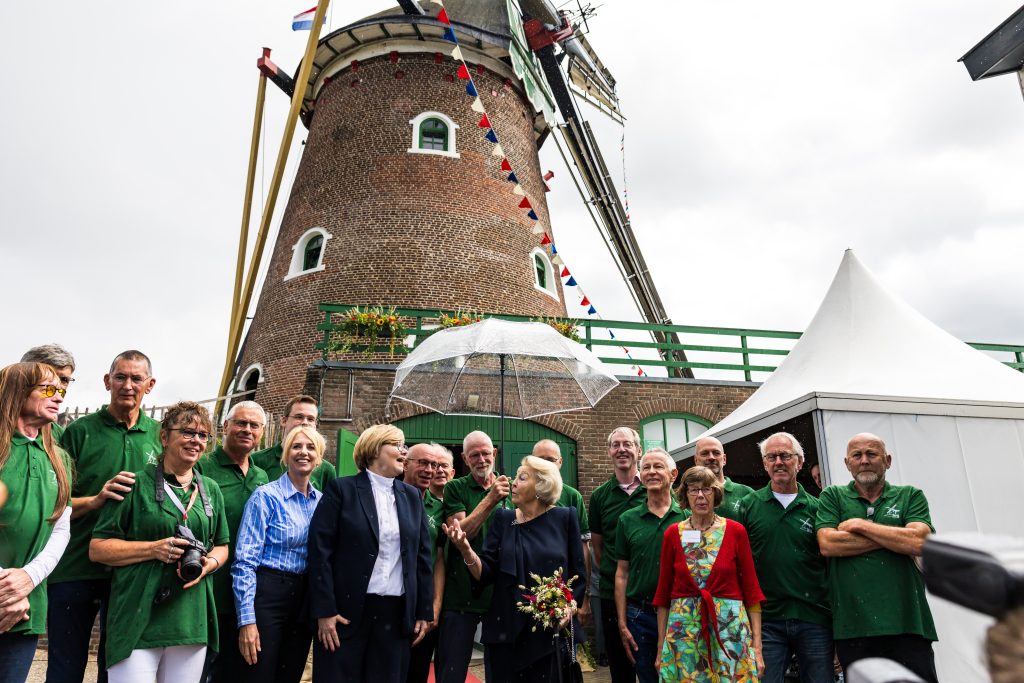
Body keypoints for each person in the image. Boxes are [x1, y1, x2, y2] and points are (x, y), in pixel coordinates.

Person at [90, 401, 229, 683]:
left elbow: (222, 545)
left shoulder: (210, 490)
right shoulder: (133, 485)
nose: (196, 441)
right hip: (137, 613)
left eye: (203, 435)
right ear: (165, 437)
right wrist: (153, 549)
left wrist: (209, 564)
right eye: (187, 432)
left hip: (189, 618)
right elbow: (98, 549)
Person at [48, 349, 162, 683]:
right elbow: (54, 505)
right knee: (65, 669)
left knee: (115, 668)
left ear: (150, 385)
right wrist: (96, 500)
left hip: (129, 573)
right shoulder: (79, 432)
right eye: (120, 377)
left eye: (136, 378)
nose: (128, 385)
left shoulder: (160, 436)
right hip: (75, 566)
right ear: (107, 381)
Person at [444, 455, 586, 682]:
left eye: (522, 477)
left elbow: (578, 574)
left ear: (541, 485)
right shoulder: (504, 518)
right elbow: (485, 573)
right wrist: (466, 551)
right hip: (505, 631)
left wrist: (571, 606)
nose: (513, 483)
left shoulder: (565, 517)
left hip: (548, 631)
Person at [307, 424, 433, 681]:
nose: (404, 452)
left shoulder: (412, 496)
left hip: (395, 615)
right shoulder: (341, 490)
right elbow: (320, 552)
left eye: (404, 446)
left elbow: (422, 558)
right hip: (345, 614)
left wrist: (423, 611)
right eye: (397, 445)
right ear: (375, 450)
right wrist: (325, 610)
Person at [816, 433, 937, 683]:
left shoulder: (910, 495)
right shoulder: (833, 496)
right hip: (854, 626)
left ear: (887, 460)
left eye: (871, 454)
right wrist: (895, 538)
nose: (864, 461)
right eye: (857, 455)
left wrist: (862, 525)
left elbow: (919, 542)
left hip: (908, 624)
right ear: (847, 463)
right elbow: (828, 544)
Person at [231, 425, 324, 683]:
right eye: (296, 446)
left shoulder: (322, 502)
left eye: (310, 447)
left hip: (303, 599)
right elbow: (244, 562)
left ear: (319, 457)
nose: (303, 452)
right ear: (285, 454)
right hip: (267, 595)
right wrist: (247, 620)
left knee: (290, 675)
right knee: (258, 674)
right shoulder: (265, 497)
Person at [654, 465, 764, 681]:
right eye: (694, 490)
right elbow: (663, 596)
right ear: (685, 495)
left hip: (729, 631)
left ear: (716, 493)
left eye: (707, 489)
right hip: (684, 633)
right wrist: (660, 649)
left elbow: (752, 591)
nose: (700, 496)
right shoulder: (672, 534)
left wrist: (757, 648)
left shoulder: (736, 531)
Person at [737, 433, 832, 683]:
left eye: (785, 456)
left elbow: (831, 566)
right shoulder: (748, 506)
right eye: (772, 457)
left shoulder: (818, 508)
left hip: (814, 617)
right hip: (766, 620)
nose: (778, 462)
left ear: (799, 462)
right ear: (764, 464)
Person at [0, 363, 73, 683]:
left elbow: (61, 528)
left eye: (61, 390)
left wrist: (28, 578)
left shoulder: (59, 458)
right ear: (18, 392)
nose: (58, 397)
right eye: (48, 389)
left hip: (26, 607)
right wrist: (6, 587)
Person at [195, 401, 270, 680]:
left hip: (244, 594)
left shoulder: (261, 476)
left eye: (254, 425)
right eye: (241, 423)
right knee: (200, 669)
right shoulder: (202, 467)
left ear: (262, 432)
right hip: (209, 587)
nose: (247, 429)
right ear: (225, 426)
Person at [435, 430, 511, 683]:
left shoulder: (512, 488)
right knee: (452, 671)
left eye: (486, 453)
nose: (481, 460)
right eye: (474, 455)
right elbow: (459, 535)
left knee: (501, 672)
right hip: (461, 595)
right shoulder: (455, 488)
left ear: (495, 453)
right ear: (465, 459)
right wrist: (491, 499)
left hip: (500, 595)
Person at [613, 448, 685, 683]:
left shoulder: (687, 517)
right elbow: (622, 574)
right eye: (646, 468)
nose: (651, 472)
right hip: (640, 615)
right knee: (647, 677)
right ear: (641, 476)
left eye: (658, 467)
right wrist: (622, 622)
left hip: (681, 614)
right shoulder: (627, 520)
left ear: (673, 474)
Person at [589, 426, 647, 683]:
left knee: (655, 665)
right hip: (612, 594)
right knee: (620, 668)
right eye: (616, 445)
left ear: (639, 450)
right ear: (609, 452)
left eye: (627, 444)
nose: (622, 449)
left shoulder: (654, 489)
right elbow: (598, 548)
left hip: (649, 593)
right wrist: (616, 575)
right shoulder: (600, 497)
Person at [532, 439, 593, 626]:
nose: (545, 465)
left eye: (551, 460)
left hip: (563, 588)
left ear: (560, 462)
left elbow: (583, 550)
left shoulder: (572, 496)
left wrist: (584, 597)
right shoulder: (520, 493)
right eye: (540, 460)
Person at [403, 443, 450, 683]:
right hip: (393, 601)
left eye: (434, 464)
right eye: (422, 463)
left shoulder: (439, 509)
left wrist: (435, 606)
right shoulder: (389, 499)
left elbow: (439, 558)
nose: (429, 470)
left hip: (423, 603)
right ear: (405, 464)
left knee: (418, 671)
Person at [251, 395, 336, 493]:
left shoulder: (326, 470)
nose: (305, 422)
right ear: (284, 421)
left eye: (310, 419)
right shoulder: (257, 461)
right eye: (299, 417)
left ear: (315, 425)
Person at [691, 436, 754, 521]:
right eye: (705, 453)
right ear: (695, 460)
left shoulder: (746, 493)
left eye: (716, 453)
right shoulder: (685, 496)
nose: (711, 457)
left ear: (724, 459)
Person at [19, 344, 75, 439]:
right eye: (50, 378)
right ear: (25, 378)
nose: (57, 387)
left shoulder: (60, 437)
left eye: (64, 380)